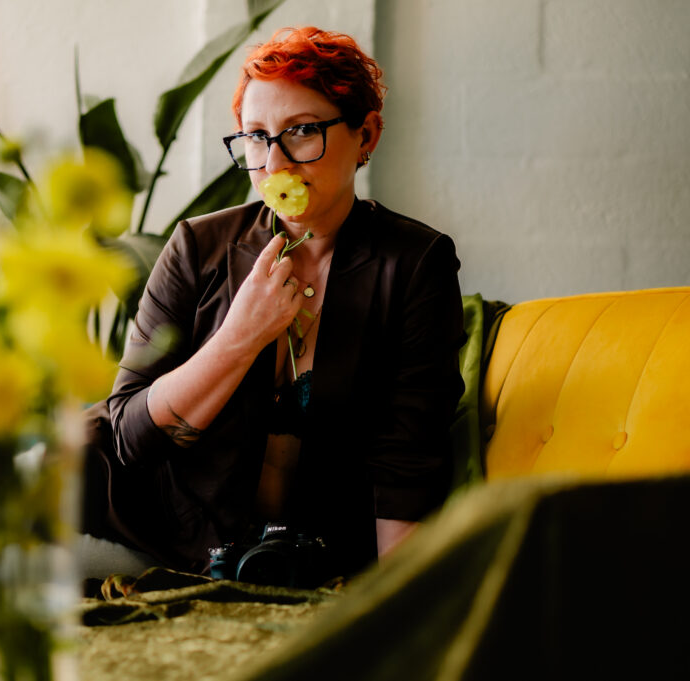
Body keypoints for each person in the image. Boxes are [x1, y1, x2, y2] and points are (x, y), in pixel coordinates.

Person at [83, 26, 464, 584]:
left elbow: (407, 463)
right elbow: (129, 436)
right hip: (136, 522)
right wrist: (242, 334)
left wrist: (398, 614)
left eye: (303, 131)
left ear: (366, 136)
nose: (275, 163)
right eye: (256, 137)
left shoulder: (413, 263)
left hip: (305, 556)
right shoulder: (197, 245)